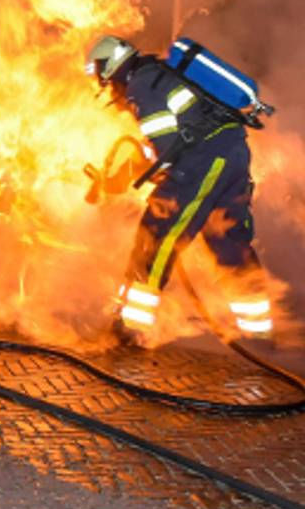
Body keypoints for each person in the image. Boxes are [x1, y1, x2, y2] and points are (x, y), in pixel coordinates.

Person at [85, 34, 273, 345]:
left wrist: (160, 180)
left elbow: (168, 148)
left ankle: (132, 327)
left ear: (111, 68)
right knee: (227, 240)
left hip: (204, 160)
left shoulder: (141, 87)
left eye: (104, 79)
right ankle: (260, 333)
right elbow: (165, 145)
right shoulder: (158, 75)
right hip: (230, 152)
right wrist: (122, 177)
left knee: (156, 236)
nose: (108, 89)